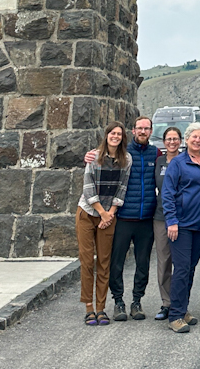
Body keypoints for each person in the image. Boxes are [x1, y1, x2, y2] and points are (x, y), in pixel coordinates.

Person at [162, 121, 200, 334]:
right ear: (187, 139)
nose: (197, 140)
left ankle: (183, 309)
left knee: (190, 269)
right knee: (182, 269)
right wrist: (172, 221)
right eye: (194, 136)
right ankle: (174, 315)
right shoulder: (178, 163)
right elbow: (168, 193)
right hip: (181, 225)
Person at [76, 122, 131, 325]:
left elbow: (122, 188)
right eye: (112, 133)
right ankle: (89, 307)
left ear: (123, 137)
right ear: (106, 135)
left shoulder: (126, 160)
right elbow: (88, 187)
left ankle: (101, 308)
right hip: (88, 212)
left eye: (119, 133)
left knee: (104, 262)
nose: (115, 136)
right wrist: (102, 213)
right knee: (87, 261)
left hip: (109, 214)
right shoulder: (94, 157)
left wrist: (111, 213)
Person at [108, 116, 157, 321]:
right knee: (116, 262)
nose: (143, 131)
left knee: (143, 263)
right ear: (133, 130)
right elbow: (103, 156)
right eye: (139, 128)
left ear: (151, 131)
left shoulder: (156, 153)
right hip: (124, 217)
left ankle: (137, 301)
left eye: (146, 128)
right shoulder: (123, 152)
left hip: (146, 218)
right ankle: (118, 301)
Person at [153, 125, 182, 321]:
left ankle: (181, 302)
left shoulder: (186, 160)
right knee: (164, 260)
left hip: (183, 217)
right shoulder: (158, 162)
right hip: (161, 216)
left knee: (181, 263)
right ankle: (167, 303)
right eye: (168, 139)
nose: (172, 142)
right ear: (164, 142)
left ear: (181, 141)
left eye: (175, 139)